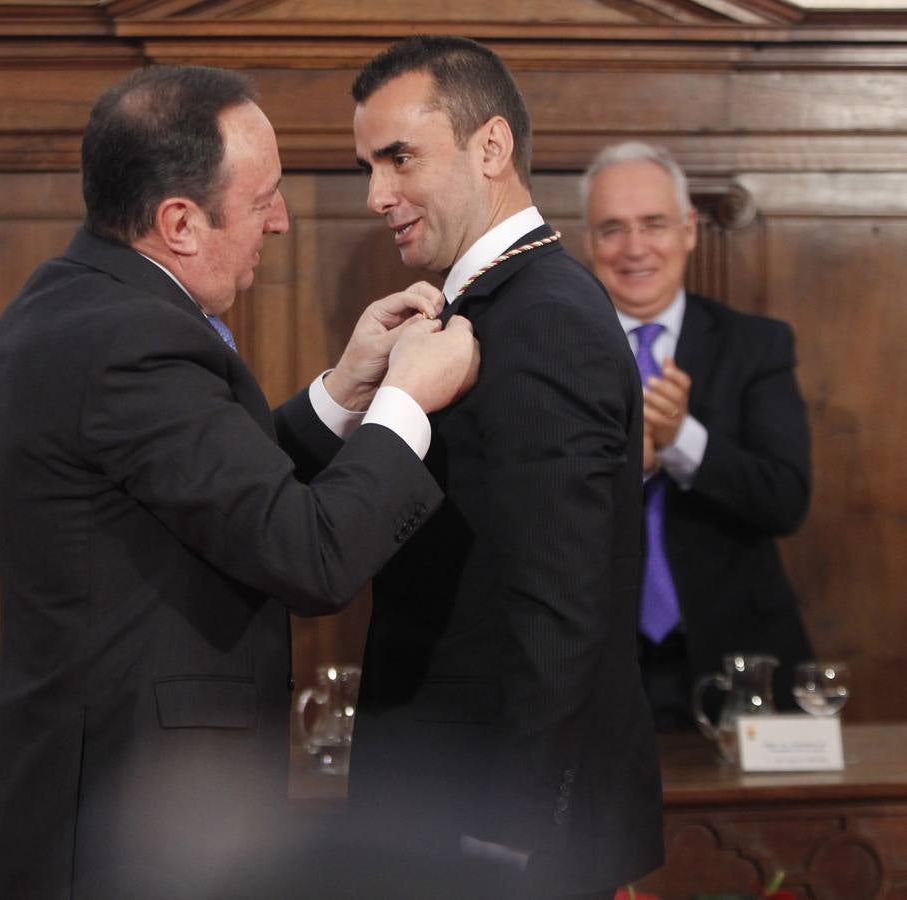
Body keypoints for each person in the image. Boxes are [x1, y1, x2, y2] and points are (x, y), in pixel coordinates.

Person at [0, 65, 479, 900]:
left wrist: (343, 392)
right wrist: (407, 402)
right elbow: (307, 556)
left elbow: (208, 492)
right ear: (179, 222)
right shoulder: (130, 339)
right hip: (128, 824)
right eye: (262, 201)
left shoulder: (76, 302)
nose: (279, 223)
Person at [343, 36, 663, 900]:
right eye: (369, 166)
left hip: (488, 826)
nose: (377, 195)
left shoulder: (541, 313)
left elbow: (561, 596)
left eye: (399, 158)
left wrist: (509, 828)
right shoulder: (496, 303)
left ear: (491, 147)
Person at [580, 141, 813, 731]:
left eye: (653, 224)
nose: (635, 248)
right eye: (612, 229)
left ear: (687, 230)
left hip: (742, 663)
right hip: (594, 669)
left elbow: (785, 500)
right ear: (588, 243)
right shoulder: (557, 355)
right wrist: (632, 461)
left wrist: (680, 436)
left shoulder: (756, 345)